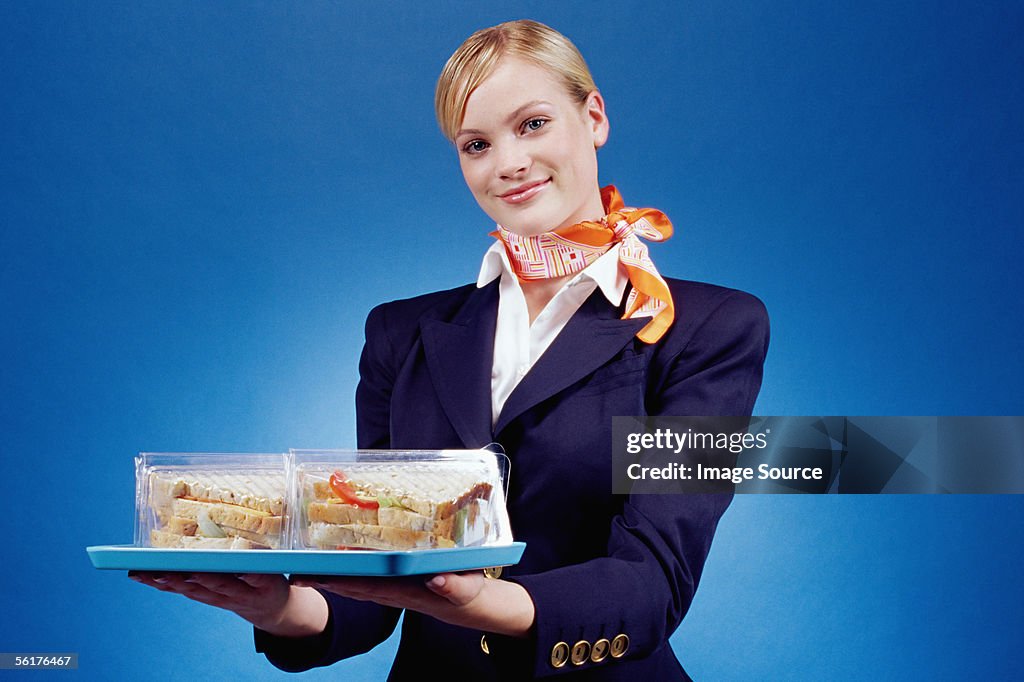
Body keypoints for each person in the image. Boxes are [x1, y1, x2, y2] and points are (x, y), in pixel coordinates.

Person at [130, 19, 769, 680]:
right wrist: (278, 604)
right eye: (476, 144)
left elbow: (656, 575)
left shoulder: (710, 329)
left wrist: (486, 602)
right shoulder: (399, 334)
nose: (508, 163)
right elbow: (372, 572)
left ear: (594, 116)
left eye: (533, 124)